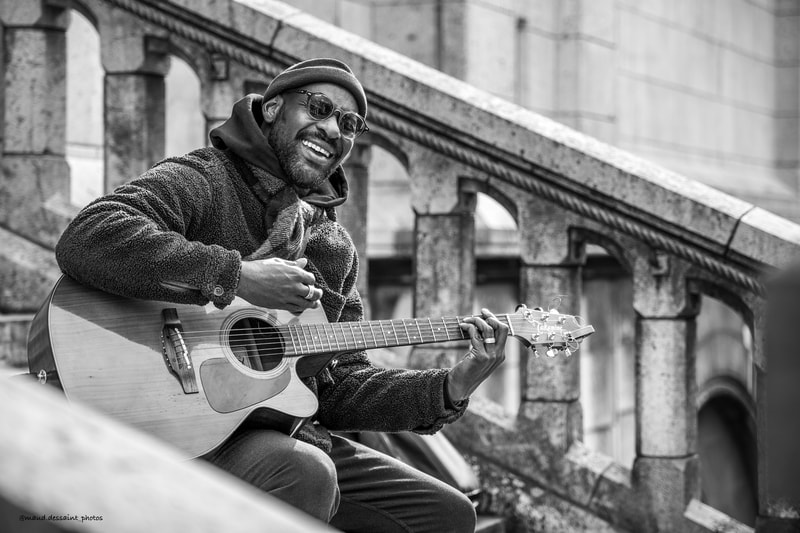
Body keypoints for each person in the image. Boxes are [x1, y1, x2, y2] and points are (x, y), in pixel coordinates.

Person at [55, 58, 508, 532]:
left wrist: (451, 386)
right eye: (319, 108)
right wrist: (237, 276)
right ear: (272, 109)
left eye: (349, 123)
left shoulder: (331, 248)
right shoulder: (207, 179)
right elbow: (87, 238)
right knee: (306, 471)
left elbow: (339, 388)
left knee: (447, 515)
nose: (332, 129)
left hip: (272, 428)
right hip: (176, 428)